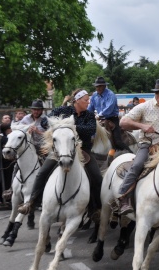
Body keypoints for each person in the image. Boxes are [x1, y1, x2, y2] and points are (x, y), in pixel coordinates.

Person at [18, 89, 103, 217]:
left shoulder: (89, 115)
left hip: (82, 150)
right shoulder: (62, 111)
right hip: (60, 150)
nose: (88, 102)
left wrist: (71, 126)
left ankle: (96, 208)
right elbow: (44, 122)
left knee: (96, 177)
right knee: (42, 172)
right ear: (77, 100)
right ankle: (31, 202)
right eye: (86, 100)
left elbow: (90, 130)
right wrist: (61, 125)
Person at [117, 77, 159, 215]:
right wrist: (142, 126)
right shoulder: (144, 107)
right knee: (137, 165)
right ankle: (123, 198)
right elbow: (123, 122)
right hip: (147, 145)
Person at [88, 76, 129, 155]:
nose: (98, 88)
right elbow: (90, 108)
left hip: (112, 119)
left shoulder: (110, 95)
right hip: (100, 119)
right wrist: (87, 115)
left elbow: (109, 109)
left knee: (118, 141)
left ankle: (130, 153)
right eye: (97, 86)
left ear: (104, 86)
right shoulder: (94, 96)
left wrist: (98, 116)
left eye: (100, 86)